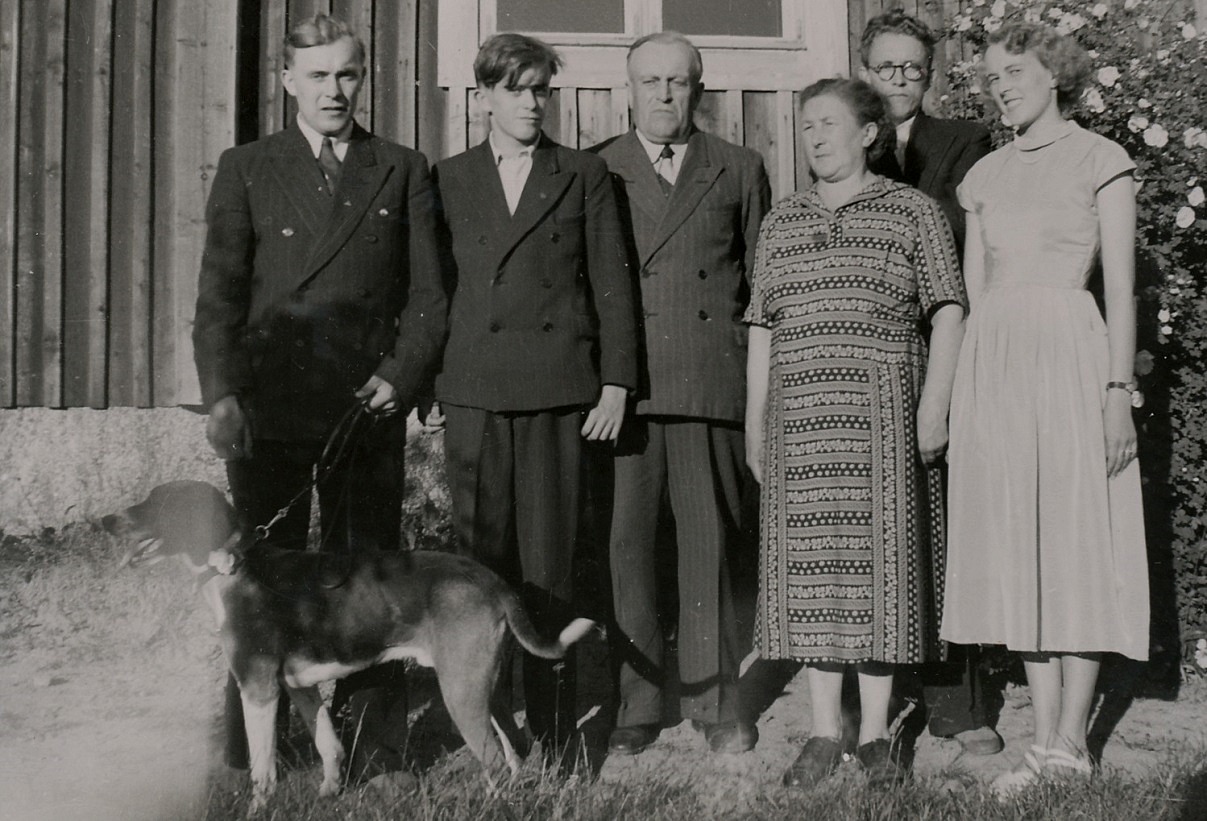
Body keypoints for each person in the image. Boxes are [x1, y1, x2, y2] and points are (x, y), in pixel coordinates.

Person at [192, 14, 447, 788]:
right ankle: (252, 750)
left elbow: (430, 295)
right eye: (318, 76)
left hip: (361, 409)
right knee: (257, 580)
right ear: (287, 81)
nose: (335, 91)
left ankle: (375, 746)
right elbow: (218, 297)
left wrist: (399, 378)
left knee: (367, 576)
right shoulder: (247, 166)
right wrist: (223, 395)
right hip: (269, 409)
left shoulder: (399, 166)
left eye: (347, 74)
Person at [940, 22, 1149, 797]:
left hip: (1070, 358)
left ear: (1054, 73)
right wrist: (963, 398)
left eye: (1014, 70)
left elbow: (1120, 288)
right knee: (1017, 542)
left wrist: (1115, 394)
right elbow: (972, 294)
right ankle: (1042, 741)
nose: (1000, 85)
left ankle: (1071, 741)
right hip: (995, 367)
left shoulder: (1101, 161)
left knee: (1072, 538)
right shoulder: (984, 176)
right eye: (991, 75)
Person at [745, 78, 966, 788]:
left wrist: (934, 406)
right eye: (804, 125)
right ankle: (820, 729)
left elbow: (948, 311)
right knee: (806, 575)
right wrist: (756, 423)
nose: (813, 137)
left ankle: (873, 736)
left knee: (879, 575)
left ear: (868, 132)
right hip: (799, 420)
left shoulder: (912, 212)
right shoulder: (780, 221)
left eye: (828, 124)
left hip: (883, 417)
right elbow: (760, 330)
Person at [432, 33, 637, 762]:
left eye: (539, 89)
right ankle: (486, 728)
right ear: (482, 95)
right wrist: (428, 380)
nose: (529, 102)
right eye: (514, 89)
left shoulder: (582, 173)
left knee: (549, 568)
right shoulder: (448, 178)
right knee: (477, 569)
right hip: (476, 395)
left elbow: (612, 285)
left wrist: (615, 380)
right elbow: (435, 290)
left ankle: (552, 731)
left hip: (557, 393)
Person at [592, 31, 770, 757]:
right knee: (626, 548)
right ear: (627, 89)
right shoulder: (597, 169)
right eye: (650, 81)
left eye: (677, 81)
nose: (664, 95)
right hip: (625, 393)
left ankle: (713, 696)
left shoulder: (738, 166)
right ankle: (636, 700)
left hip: (707, 383)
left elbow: (762, 283)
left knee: (709, 547)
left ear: (699, 88)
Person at [859, 10, 1001, 756]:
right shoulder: (846, 143)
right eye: (887, 68)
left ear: (930, 74)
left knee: (948, 521)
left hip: (940, 343)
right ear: (865, 71)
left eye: (914, 69)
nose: (900, 82)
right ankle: (873, 698)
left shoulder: (961, 143)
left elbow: (955, 233)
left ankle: (956, 701)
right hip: (868, 357)